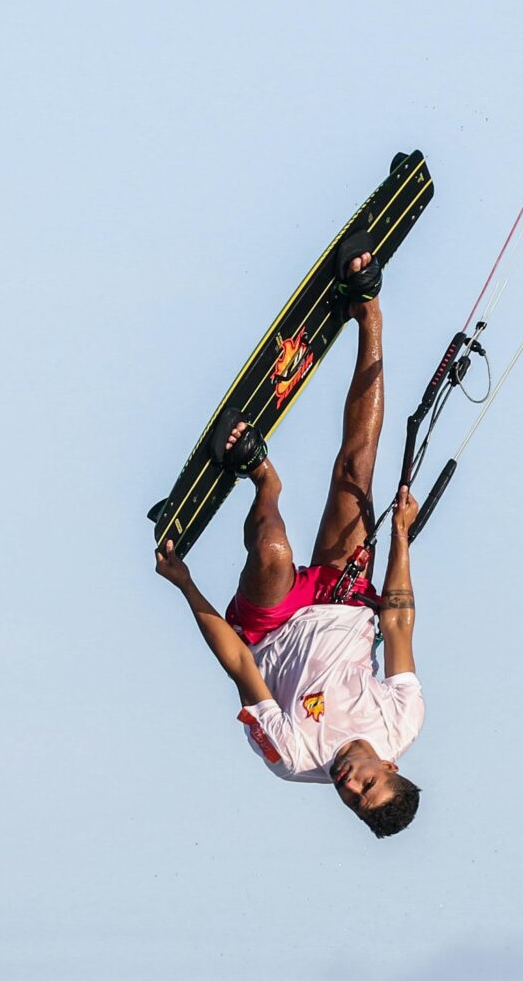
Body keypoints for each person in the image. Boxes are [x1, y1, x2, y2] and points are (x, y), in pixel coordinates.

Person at [154, 251, 424, 837]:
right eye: (368, 784)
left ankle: (264, 481)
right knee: (358, 467)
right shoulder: (402, 721)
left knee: (272, 548)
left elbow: (238, 663)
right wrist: (400, 535)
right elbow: (398, 624)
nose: (348, 784)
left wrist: (186, 584)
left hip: (270, 625)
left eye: (351, 799)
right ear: (391, 764)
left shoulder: (294, 757)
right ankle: (369, 311)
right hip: (344, 597)